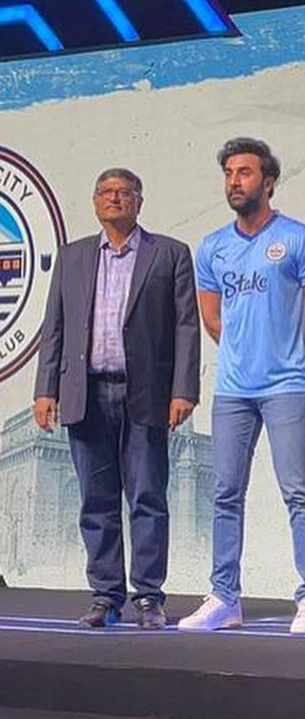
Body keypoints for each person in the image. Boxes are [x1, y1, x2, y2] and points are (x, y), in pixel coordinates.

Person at [179, 138, 305, 635]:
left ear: (267, 182)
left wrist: (294, 360)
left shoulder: (299, 239)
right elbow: (211, 316)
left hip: (286, 387)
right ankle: (224, 598)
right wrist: (242, 356)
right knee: (226, 494)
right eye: (229, 172)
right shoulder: (213, 247)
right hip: (232, 392)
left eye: (245, 173)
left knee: (296, 491)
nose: (234, 181)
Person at [33, 169, 200, 629]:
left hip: (144, 393)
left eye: (124, 193)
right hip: (85, 392)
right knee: (96, 500)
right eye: (106, 193)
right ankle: (105, 596)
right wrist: (45, 389)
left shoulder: (168, 254)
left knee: (147, 496)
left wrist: (184, 389)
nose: (114, 199)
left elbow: (186, 327)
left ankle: (149, 597)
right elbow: (56, 328)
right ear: (94, 202)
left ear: (138, 202)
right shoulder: (72, 258)